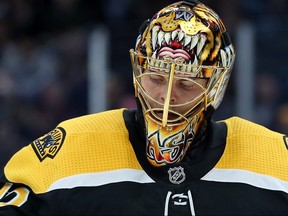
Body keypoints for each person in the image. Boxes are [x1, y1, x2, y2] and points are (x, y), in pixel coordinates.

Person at [0, 0, 287, 215]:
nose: (166, 96)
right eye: (157, 78)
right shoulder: (73, 148)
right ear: (138, 73)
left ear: (217, 87)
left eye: (186, 84)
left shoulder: (273, 161)